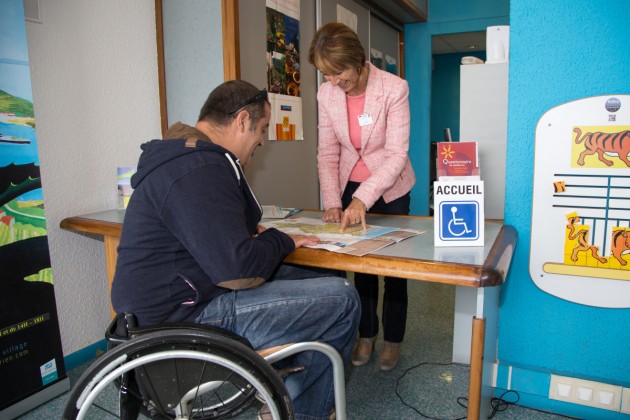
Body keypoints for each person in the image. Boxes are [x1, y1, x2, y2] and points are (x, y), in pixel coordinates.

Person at [111, 79, 360, 420]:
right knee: (342, 299)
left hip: (170, 303)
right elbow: (239, 272)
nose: (262, 139)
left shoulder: (185, 157)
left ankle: (286, 389)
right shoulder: (201, 167)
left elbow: (204, 231)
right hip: (183, 321)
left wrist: (250, 233)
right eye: (261, 129)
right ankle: (303, 411)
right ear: (242, 120)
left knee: (317, 272)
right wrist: (281, 240)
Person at [308, 22, 416, 371]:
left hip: (391, 188)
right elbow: (327, 152)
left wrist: (363, 199)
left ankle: (393, 340)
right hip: (349, 188)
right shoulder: (327, 94)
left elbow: (397, 153)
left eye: (340, 73)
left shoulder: (394, 88)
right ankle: (366, 334)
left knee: (394, 269)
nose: (334, 82)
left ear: (359, 60)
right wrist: (332, 201)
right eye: (327, 74)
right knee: (362, 268)